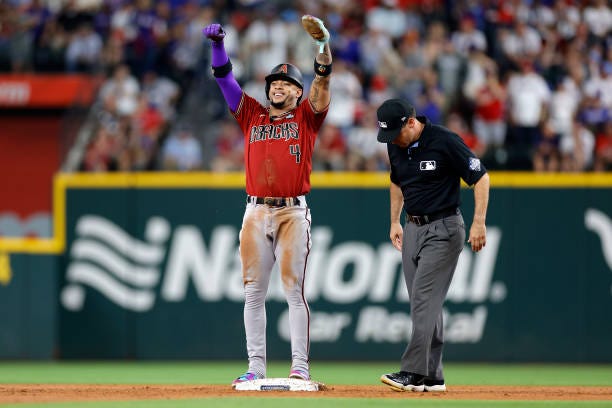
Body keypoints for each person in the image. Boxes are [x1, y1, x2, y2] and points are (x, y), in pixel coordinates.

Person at [202, 15, 332, 386]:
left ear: (296, 91)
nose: (278, 86)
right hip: (255, 211)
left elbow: (322, 82)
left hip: (293, 210)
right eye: (274, 82)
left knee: (294, 291)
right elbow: (225, 79)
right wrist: (217, 47)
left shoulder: (307, 117)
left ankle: (300, 367)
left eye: (286, 83)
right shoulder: (252, 115)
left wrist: (323, 46)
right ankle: (256, 367)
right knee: (253, 293)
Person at [375, 98, 490, 392]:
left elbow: (481, 178)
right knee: (423, 302)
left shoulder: (444, 140)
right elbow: (397, 182)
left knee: (424, 299)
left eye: (396, 133)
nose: (393, 141)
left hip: (444, 227)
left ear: (412, 123)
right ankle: (432, 375)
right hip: (412, 227)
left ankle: (412, 371)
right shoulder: (395, 142)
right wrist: (393, 221)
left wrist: (479, 222)